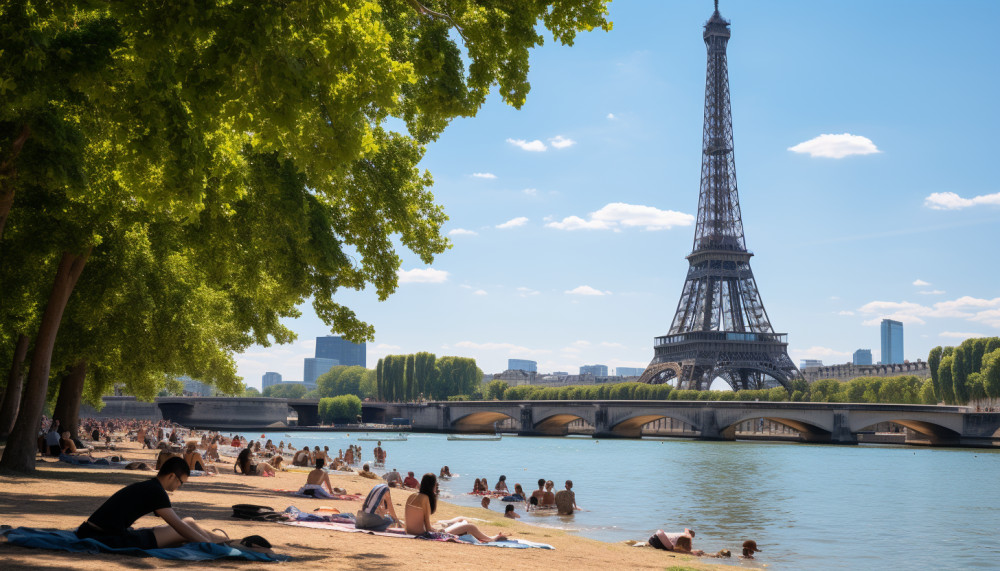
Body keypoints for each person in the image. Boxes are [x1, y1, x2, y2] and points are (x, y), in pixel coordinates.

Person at [75, 457, 228, 549]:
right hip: (105, 537)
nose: (179, 486)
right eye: (181, 482)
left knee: (189, 521)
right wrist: (207, 545)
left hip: (95, 531)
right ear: (172, 476)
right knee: (184, 527)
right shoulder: (156, 492)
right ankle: (217, 543)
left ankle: (226, 542)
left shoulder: (151, 486)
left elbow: (182, 523)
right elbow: (178, 526)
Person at [405, 473, 507, 542]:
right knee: (470, 527)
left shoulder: (412, 496)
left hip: (410, 531)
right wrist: (438, 531)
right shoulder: (425, 499)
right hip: (424, 534)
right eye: (435, 485)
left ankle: (461, 524)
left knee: (460, 520)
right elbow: (428, 528)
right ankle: (492, 539)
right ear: (432, 485)